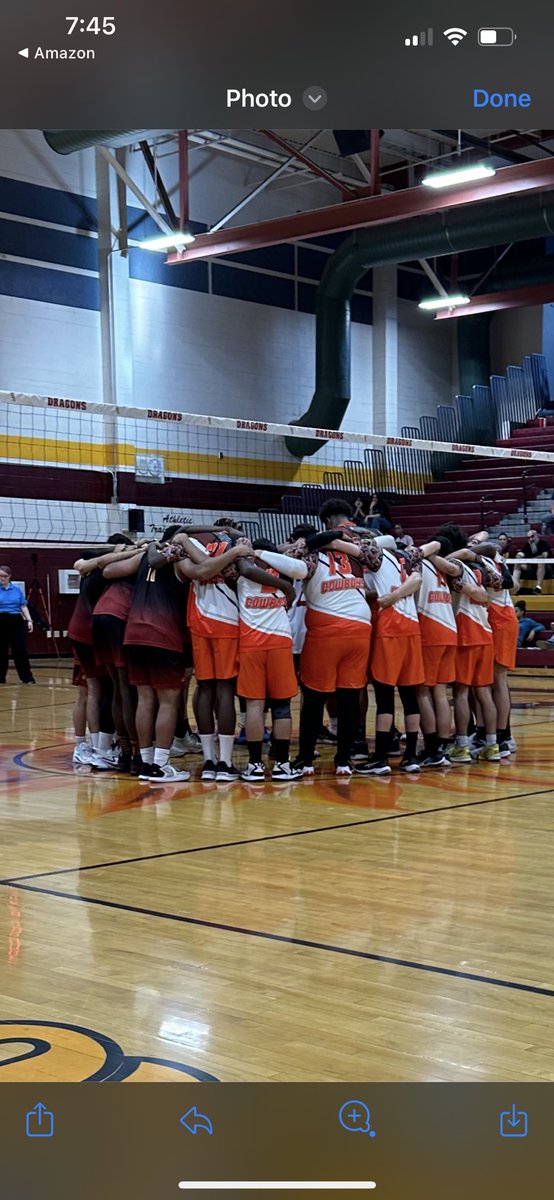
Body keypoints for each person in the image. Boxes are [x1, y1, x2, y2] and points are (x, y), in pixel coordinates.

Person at [293, 499, 375, 777]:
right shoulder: (361, 548)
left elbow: (298, 553)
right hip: (360, 629)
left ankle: (305, 759)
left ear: (326, 521)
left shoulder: (312, 553)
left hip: (326, 630)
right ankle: (343, 759)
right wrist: (345, 541)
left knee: (314, 698)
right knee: (350, 696)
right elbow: (374, 557)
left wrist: (328, 540)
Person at [236, 538, 302, 782]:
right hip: (280, 642)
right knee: (282, 706)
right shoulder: (287, 573)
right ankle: (282, 764)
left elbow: (245, 567)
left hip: (251, 643)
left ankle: (254, 764)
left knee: (254, 705)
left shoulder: (243, 572)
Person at [434, 524, 500, 765]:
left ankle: (461, 745)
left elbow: (455, 564)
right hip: (485, 633)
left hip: (466, 635)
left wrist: (433, 553)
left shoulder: (457, 566)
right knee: (483, 692)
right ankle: (491, 745)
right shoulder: (482, 566)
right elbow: (487, 597)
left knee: (461, 692)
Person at [466, 531, 518, 757]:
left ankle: (502, 735)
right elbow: (513, 585)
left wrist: (469, 551)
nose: (472, 546)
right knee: (486, 681)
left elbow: (510, 584)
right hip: (497, 616)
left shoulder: (487, 558)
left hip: (499, 617)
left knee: (496, 680)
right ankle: (488, 732)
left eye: (475, 543)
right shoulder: (488, 560)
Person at [415, 537, 457, 767]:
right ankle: (442, 746)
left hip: (430, 630)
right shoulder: (446, 568)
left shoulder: (421, 563)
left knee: (422, 693)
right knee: (440, 693)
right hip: (450, 629)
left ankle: (432, 748)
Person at [0, 566, 35, 684]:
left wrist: (29, 621)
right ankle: (0, 678)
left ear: (9, 576)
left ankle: (27, 677)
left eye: (4, 576)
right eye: (0, 576)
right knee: (1, 651)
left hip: (16, 620)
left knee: (20, 650)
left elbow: (23, 606)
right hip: (1, 620)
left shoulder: (16, 589)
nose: (2, 578)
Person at [512, 528, 551, 594]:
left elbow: (544, 555)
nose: (531, 539)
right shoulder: (528, 545)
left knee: (540, 561)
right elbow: (520, 554)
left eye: (532, 536)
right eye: (529, 537)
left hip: (546, 570)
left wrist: (533, 559)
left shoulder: (544, 544)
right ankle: (514, 587)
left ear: (537, 535)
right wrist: (520, 558)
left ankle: (538, 588)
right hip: (532, 570)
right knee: (518, 562)